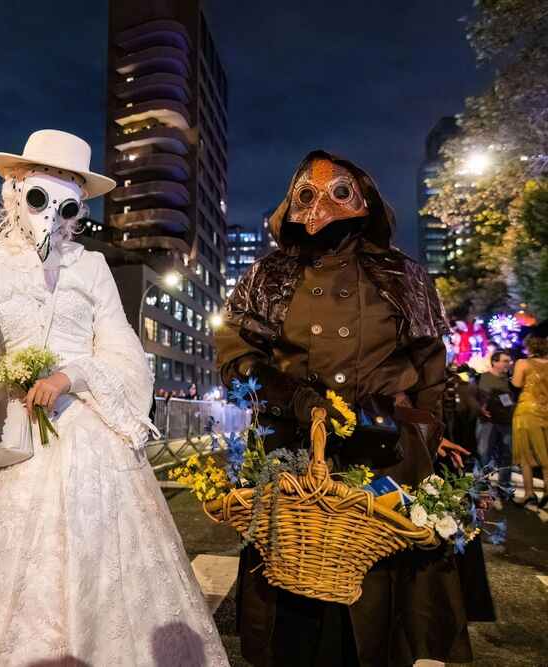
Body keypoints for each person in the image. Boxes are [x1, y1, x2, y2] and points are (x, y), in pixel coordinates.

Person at [0, 130, 228, 665]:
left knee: (98, 565)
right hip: (10, 430)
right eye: (39, 195)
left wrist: (70, 376)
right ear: (16, 191)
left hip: (85, 434)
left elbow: (120, 346)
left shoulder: (90, 266)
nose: (50, 213)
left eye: (66, 202)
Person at [215, 151, 472, 666]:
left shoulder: (404, 274)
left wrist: (426, 434)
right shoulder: (266, 275)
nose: (320, 208)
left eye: (338, 192)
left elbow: (429, 367)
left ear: (363, 199)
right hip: (293, 450)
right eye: (306, 194)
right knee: (291, 597)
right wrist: (292, 396)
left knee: (376, 601)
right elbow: (237, 356)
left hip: (385, 455)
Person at [510, 334, 548, 508]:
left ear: (529, 347)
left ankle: (529, 493)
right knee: (545, 454)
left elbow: (516, 384)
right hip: (546, 413)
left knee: (526, 455)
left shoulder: (522, 363)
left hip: (526, 412)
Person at [476, 350, 516, 488]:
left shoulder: (511, 381)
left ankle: (504, 483)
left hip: (506, 422)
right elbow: (473, 396)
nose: (508, 364)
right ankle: (481, 481)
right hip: (487, 422)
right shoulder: (482, 378)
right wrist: (479, 407)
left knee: (506, 455)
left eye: (509, 361)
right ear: (494, 362)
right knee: (483, 453)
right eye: (505, 361)